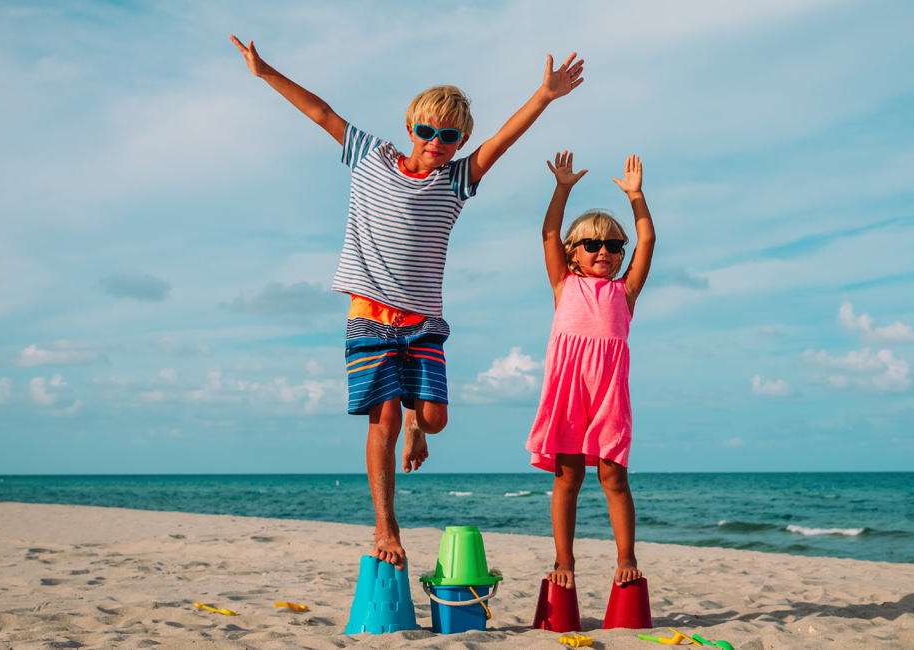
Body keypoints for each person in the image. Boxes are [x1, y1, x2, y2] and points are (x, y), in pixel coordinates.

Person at [229, 35, 585, 570]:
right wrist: (265, 72)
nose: (435, 142)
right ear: (409, 126)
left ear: (461, 139)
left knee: (434, 420)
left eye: (449, 135)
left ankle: (419, 427)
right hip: (370, 317)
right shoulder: (369, 156)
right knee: (384, 419)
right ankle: (385, 525)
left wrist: (544, 96)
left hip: (423, 324)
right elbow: (320, 111)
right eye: (426, 131)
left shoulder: (457, 179)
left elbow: (503, 141)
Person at [527, 151, 655, 589]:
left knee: (613, 475)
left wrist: (637, 197)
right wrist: (562, 189)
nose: (605, 252)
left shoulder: (626, 291)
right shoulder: (565, 284)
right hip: (568, 390)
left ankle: (626, 557)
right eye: (593, 245)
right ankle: (565, 562)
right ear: (573, 252)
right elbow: (547, 233)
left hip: (609, 393)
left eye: (615, 246)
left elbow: (649, 241)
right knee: (568, 476)